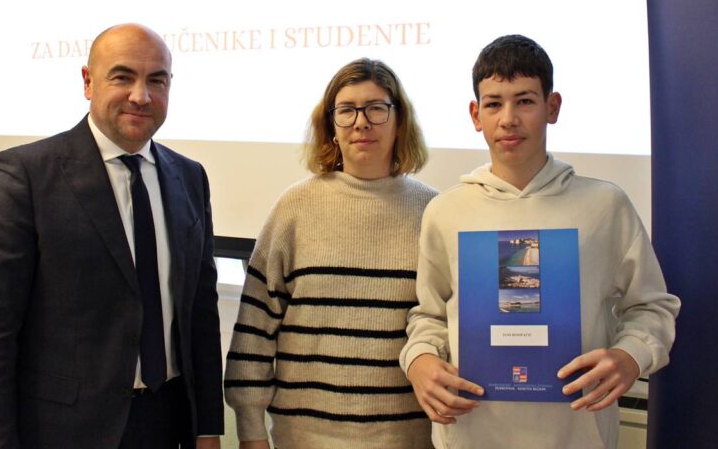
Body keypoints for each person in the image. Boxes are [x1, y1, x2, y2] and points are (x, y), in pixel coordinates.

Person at [401, 35, 680, 449]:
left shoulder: (604, 205)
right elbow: (430, 316)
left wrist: (630, 356)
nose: (508, 119)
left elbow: (652, 306)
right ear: (476, 114)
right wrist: (420, 361)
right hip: (471, 435)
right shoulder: (446, 211)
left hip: (577, 435)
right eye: (494, 104)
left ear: (552, 107)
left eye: (525, 101)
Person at [0, 23, 223, 449]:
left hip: (166, 424)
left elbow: (201, 315)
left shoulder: (190, 178)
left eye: (157, 80)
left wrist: (207, 427)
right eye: (123, 77)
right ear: (88, 82)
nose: (141, 96)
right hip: (63, 432)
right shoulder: (25, 177)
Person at [224, 58, 437, 449]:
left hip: (406, 438)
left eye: (376, 108)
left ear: (399, 121)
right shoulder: (294, 208)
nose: (361, 122)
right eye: (346, 110)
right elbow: (255, 329)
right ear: (331, 126)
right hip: (303, 439)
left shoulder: (434, 214)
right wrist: (251, 430)